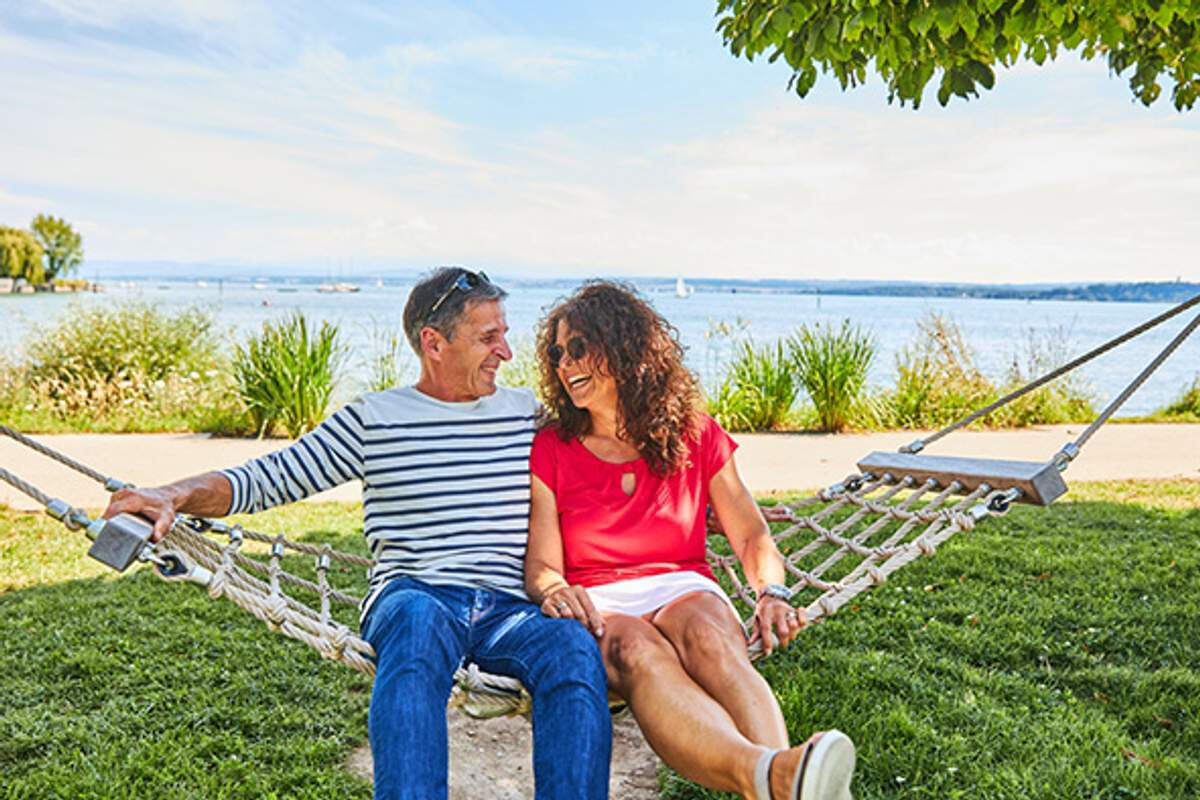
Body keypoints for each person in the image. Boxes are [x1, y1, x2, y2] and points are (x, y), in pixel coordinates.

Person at [103, 268, 611, 800]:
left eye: (504, 334)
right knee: (417, 627)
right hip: (415, 594)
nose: (505, 352)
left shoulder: (525, 415)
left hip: (510, 608)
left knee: (572, 646)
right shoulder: (375, 418)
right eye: (489, 337)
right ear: (433, 343)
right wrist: (173, 494)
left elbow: (611, 456)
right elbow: (267, 478)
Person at [524, 282, 856, 800]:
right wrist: (551, 589)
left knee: (710, 638)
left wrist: (772, 591)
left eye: (579, 347)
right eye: (557, 352)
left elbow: (749, 534)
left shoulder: (694, 434)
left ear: (624, 348)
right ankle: (778, 776)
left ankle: (779, 780)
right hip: (602, 601)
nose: (565, 363)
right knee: (638, 648)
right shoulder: (552, 448)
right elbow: (544, 563)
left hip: (684, 586)